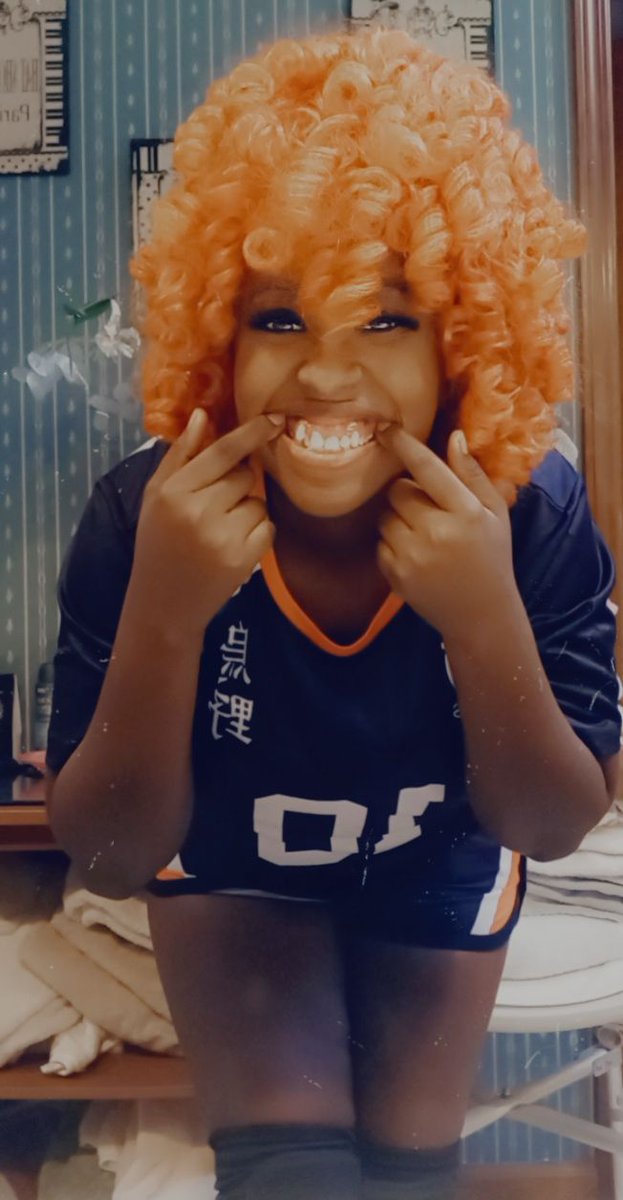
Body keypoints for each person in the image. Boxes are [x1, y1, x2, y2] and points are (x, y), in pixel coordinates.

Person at [45, 26, 621, 1200]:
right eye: (278, 319)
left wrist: (481, 616)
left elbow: (552, 820)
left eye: (386, 321)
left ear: (464, 342)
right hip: (234, 867)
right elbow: (108, 853)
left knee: (407, 1177)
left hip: (436, 857)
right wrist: (165, 609)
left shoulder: (528, 512)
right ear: (217, 332)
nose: (323, 372)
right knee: (292, 1180)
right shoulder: (145, 516)